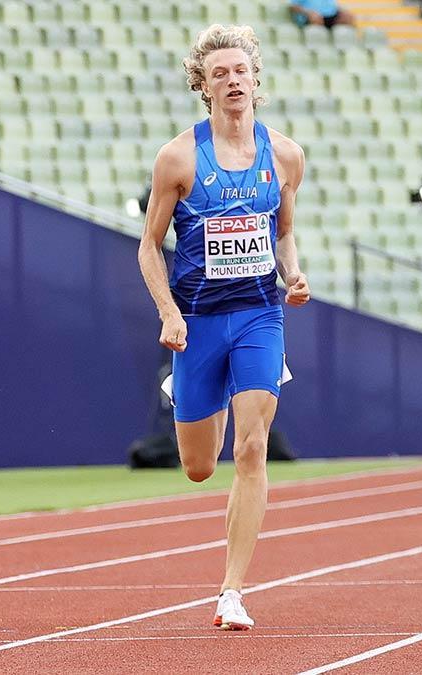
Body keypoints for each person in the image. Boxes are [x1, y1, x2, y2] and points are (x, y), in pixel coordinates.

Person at [137, 24, 311, 631]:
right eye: (220, 74)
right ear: (203, 86)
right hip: (199, 321)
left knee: (253, 445)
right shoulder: (179, 158)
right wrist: (168, 313)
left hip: (261, 315)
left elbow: (284, 229)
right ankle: (187, 395)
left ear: (255, 81)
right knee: (199, 466)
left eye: (241, 71)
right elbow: (149, 247)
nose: (233, 81)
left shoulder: (284, 154)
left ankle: (231, 591)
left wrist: (293, 273)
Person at [288, 0, 355, 28]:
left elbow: (333, 6)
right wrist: (308, 13)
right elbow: (292, 6)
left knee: (348, 17)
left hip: (329, 15)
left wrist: (342, 11)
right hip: (310, 17)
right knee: (316, 18)